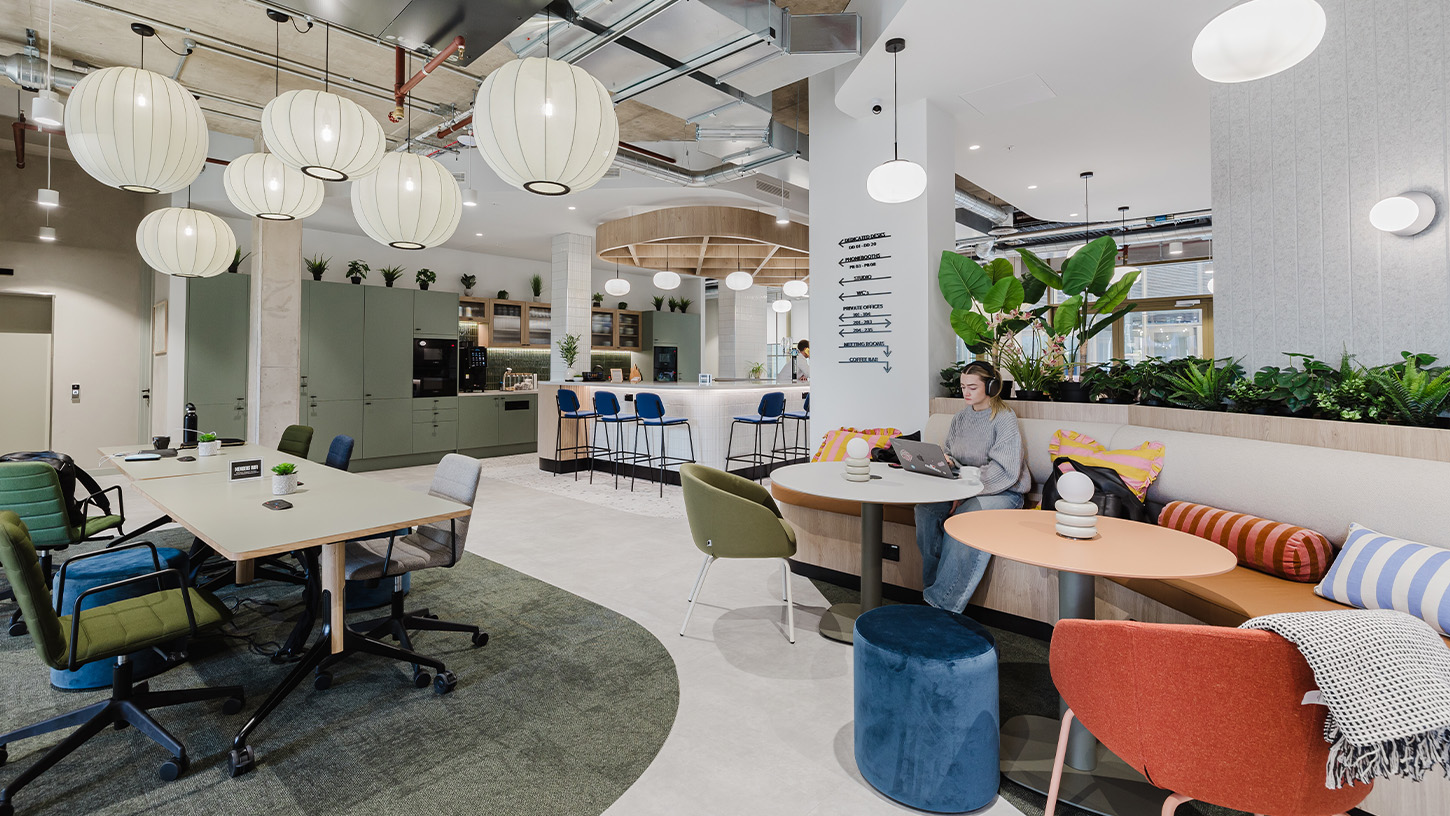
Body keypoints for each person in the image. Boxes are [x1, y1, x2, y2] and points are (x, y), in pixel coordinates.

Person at [913, 361, 1031, 612]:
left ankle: (942, 606)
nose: (965, 392)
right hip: (962, 486)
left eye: (972, 387)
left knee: (964, 519)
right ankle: (933, 590)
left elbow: (1006, 470)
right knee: (926, 510)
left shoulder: (1004, 418)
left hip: (1003, 491)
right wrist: (946, 461)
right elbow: (952, 452)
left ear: (991, 387)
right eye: (963, 386)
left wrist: (965, 491)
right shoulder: (961, 417)